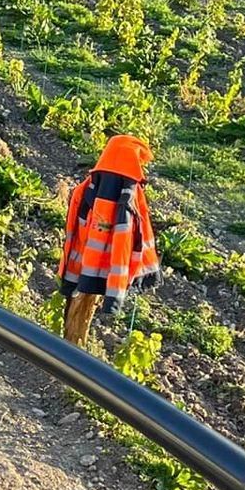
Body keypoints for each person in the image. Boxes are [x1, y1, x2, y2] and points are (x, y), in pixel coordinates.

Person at [59, 134, 160, 347]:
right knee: (75, 328)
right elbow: (123, 250)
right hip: (98, 277)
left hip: (80, 274)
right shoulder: (126, 197)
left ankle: (68, 356)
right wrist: (114, 297)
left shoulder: (89, 187)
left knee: (74, 317)